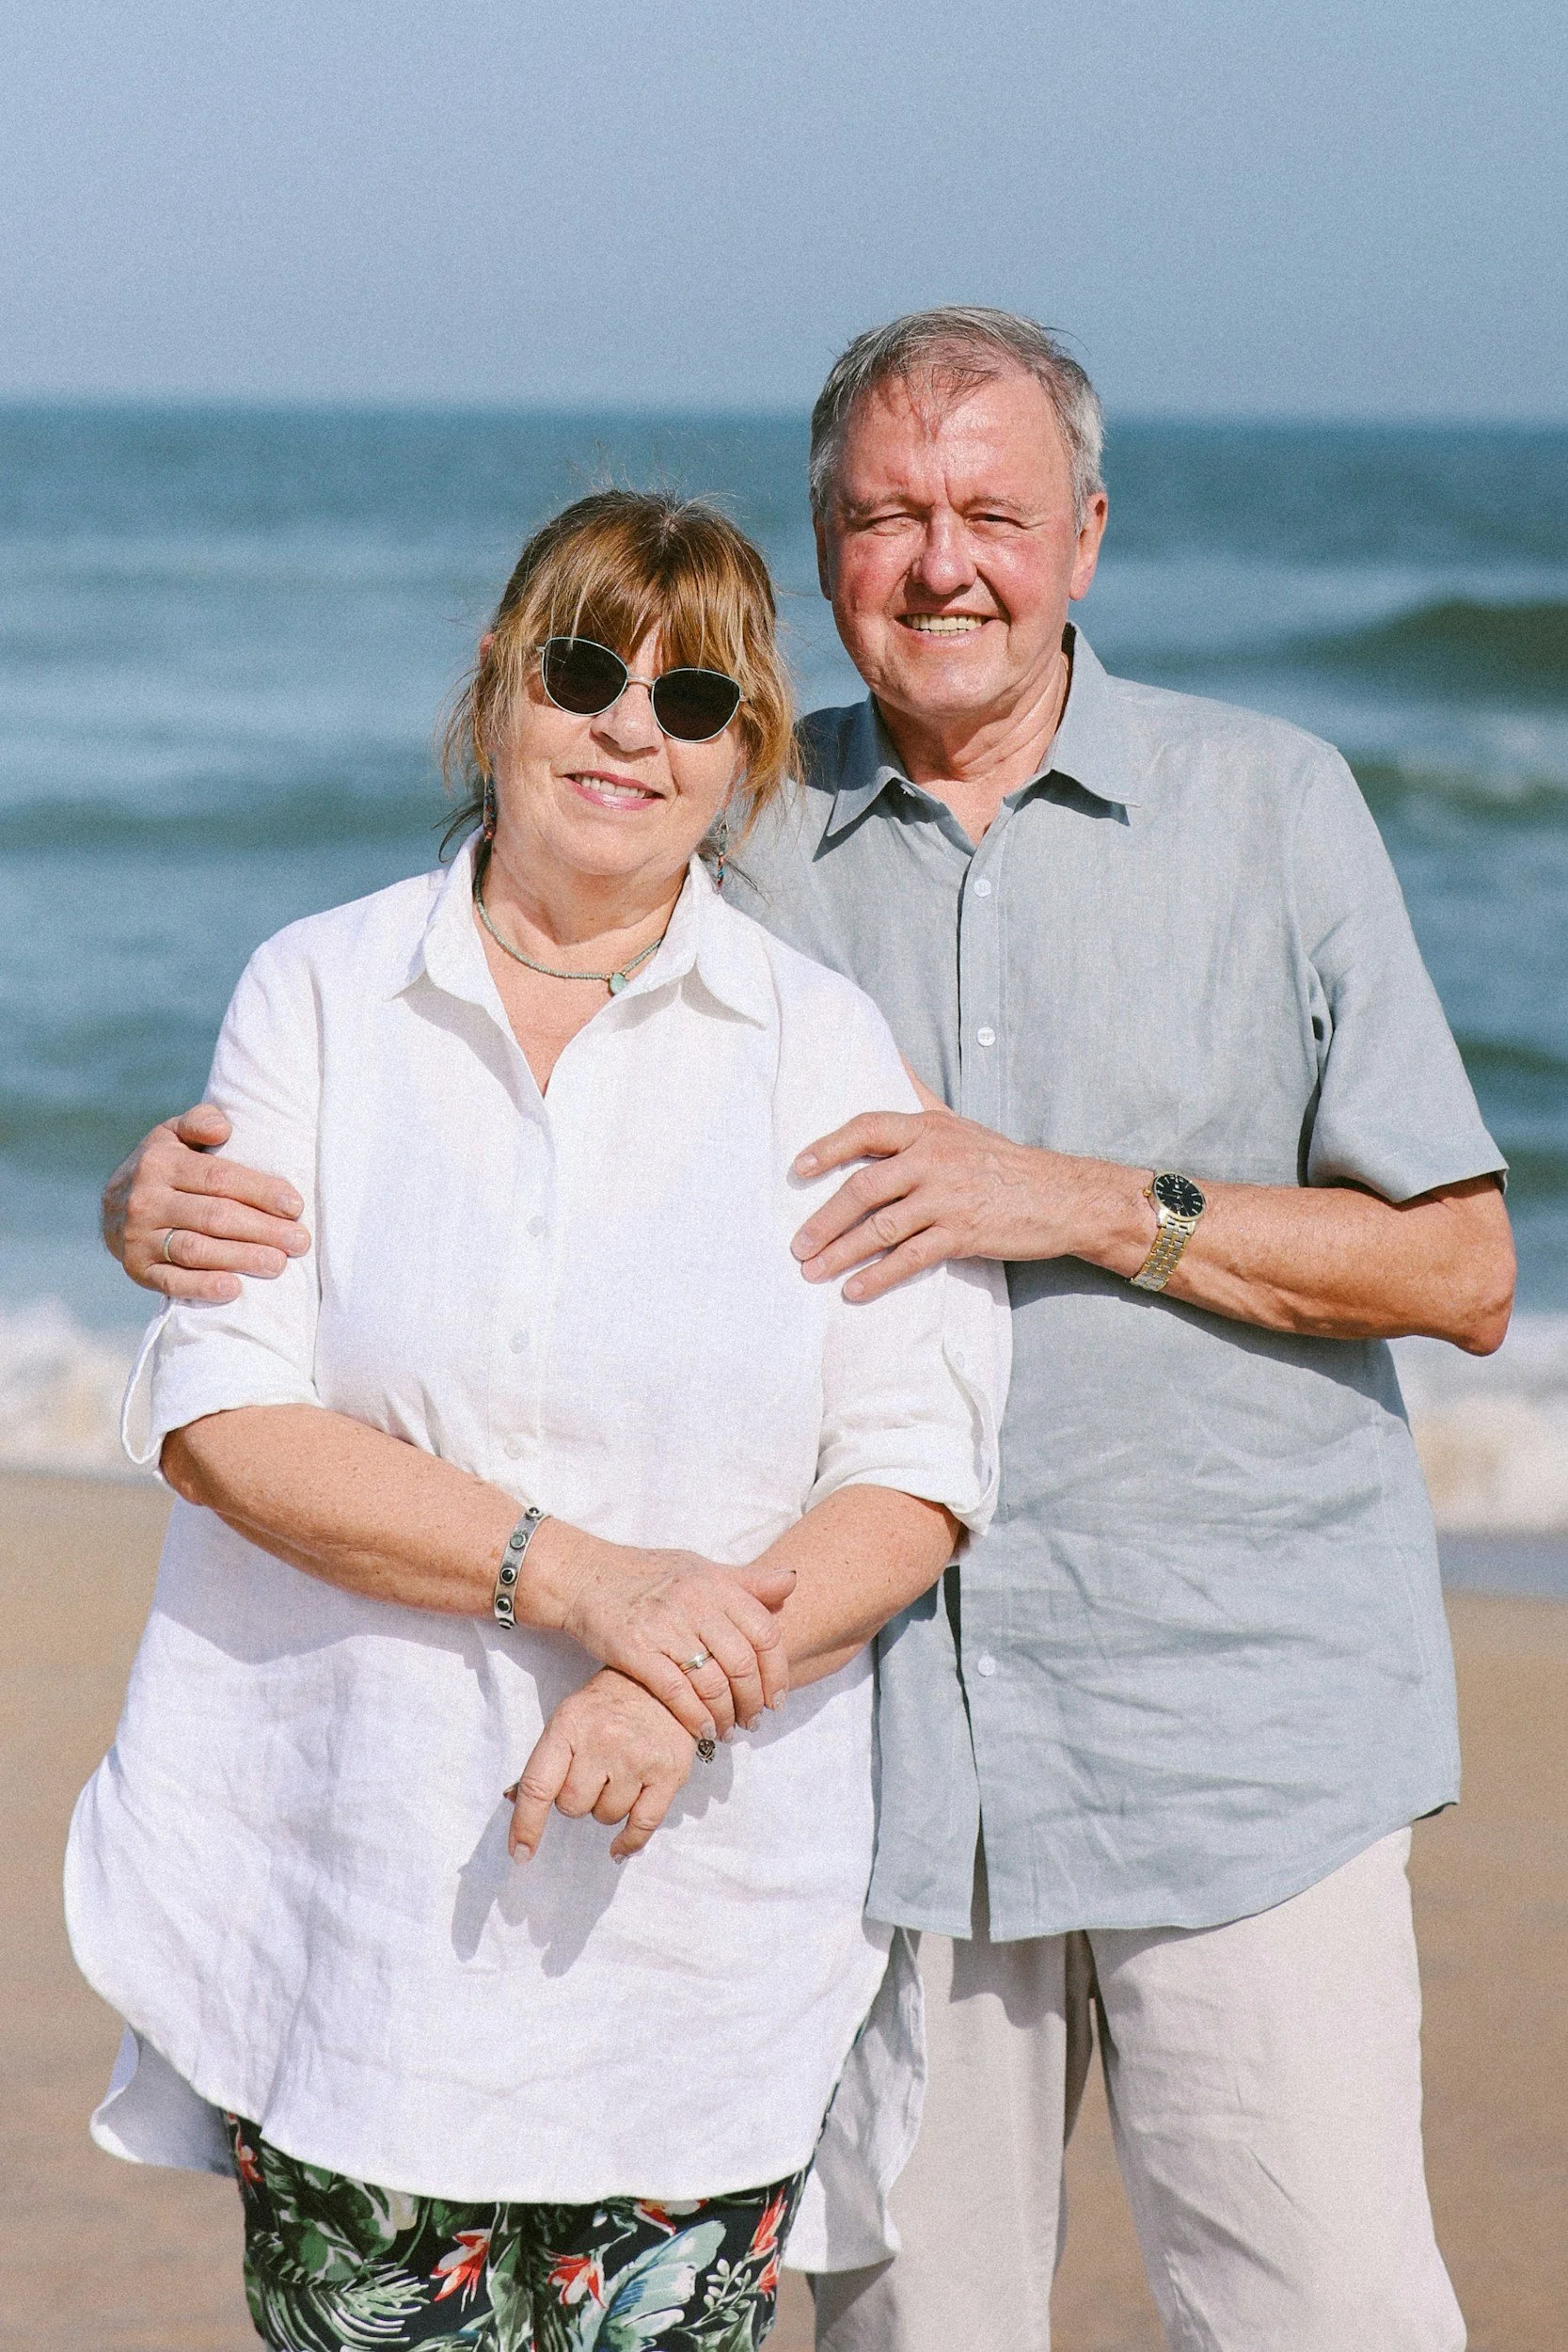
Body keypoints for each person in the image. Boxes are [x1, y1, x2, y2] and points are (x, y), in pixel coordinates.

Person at [104, 310, 1515, 2352]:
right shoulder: (733, 821)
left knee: (1319, 2317)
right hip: (879, 1776)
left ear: (1087, 537)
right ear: (827, 555)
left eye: (990, 514)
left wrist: (1087, 1198)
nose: (941, 560)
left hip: (1240, 1735)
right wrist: (146, 1197)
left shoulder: (1269, 806)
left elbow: (1458, 1265)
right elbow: (478, 1006)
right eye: (883, 515)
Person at [69, 488, 1010, 2352]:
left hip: (692, 1932)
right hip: (355, 1905)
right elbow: (227, 1416)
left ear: (745, 760)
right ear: (496, 684)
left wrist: (671, 1672)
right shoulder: (321, 996)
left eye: (692, 701)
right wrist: (593, 1586)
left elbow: (913, 1464)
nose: (623, 729)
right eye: (584, 669)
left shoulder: (815, 1042)